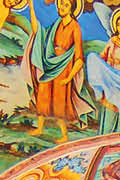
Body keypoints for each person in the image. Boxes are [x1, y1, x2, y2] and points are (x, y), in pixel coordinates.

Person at [28, 0, 86, 141]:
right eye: (60, 3)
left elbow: (79, 57)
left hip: (64, 67)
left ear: (71, 8)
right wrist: (31, 8)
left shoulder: (74, 27)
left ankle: (64, 135)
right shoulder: (57, 24)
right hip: (51, 62)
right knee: (43, 92)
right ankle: (40, 128)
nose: (61, 7)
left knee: (60, 100)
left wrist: (70, 77)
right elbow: (40, 34)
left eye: (65, 5)